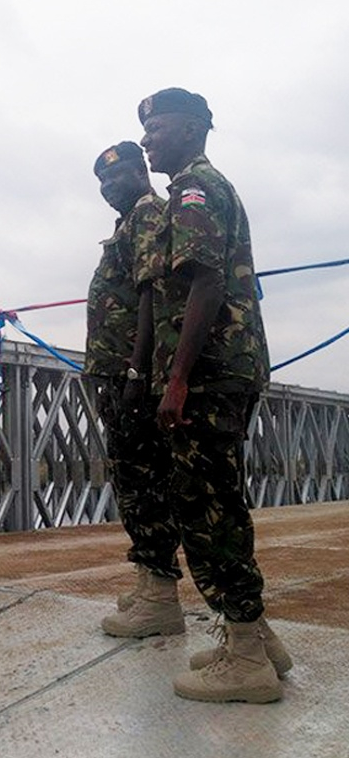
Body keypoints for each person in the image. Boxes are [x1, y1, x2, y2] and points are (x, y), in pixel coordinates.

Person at [137, 87, 291, 703]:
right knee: (219, 500)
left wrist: (176, 379)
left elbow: (202, 281)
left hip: (208, 372)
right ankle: (257, 638)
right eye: (144, 128)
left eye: (158, 128)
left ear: (196, 128)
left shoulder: (193, 189)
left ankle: (248, 660)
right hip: (225, 367)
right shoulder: (205, 186)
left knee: (208, 510)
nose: (148, 138)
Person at [85, 142, 184, 639]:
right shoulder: (127, 224)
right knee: (133, 481)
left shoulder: (147, 215)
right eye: (102, 183)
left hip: (132, 377)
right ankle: (149, 581)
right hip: (117, 373)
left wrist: (135, 371)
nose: (109, 189)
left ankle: (161, 596)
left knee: (144, 481)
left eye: (117, 176)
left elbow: (150, 293)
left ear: (140, 171)